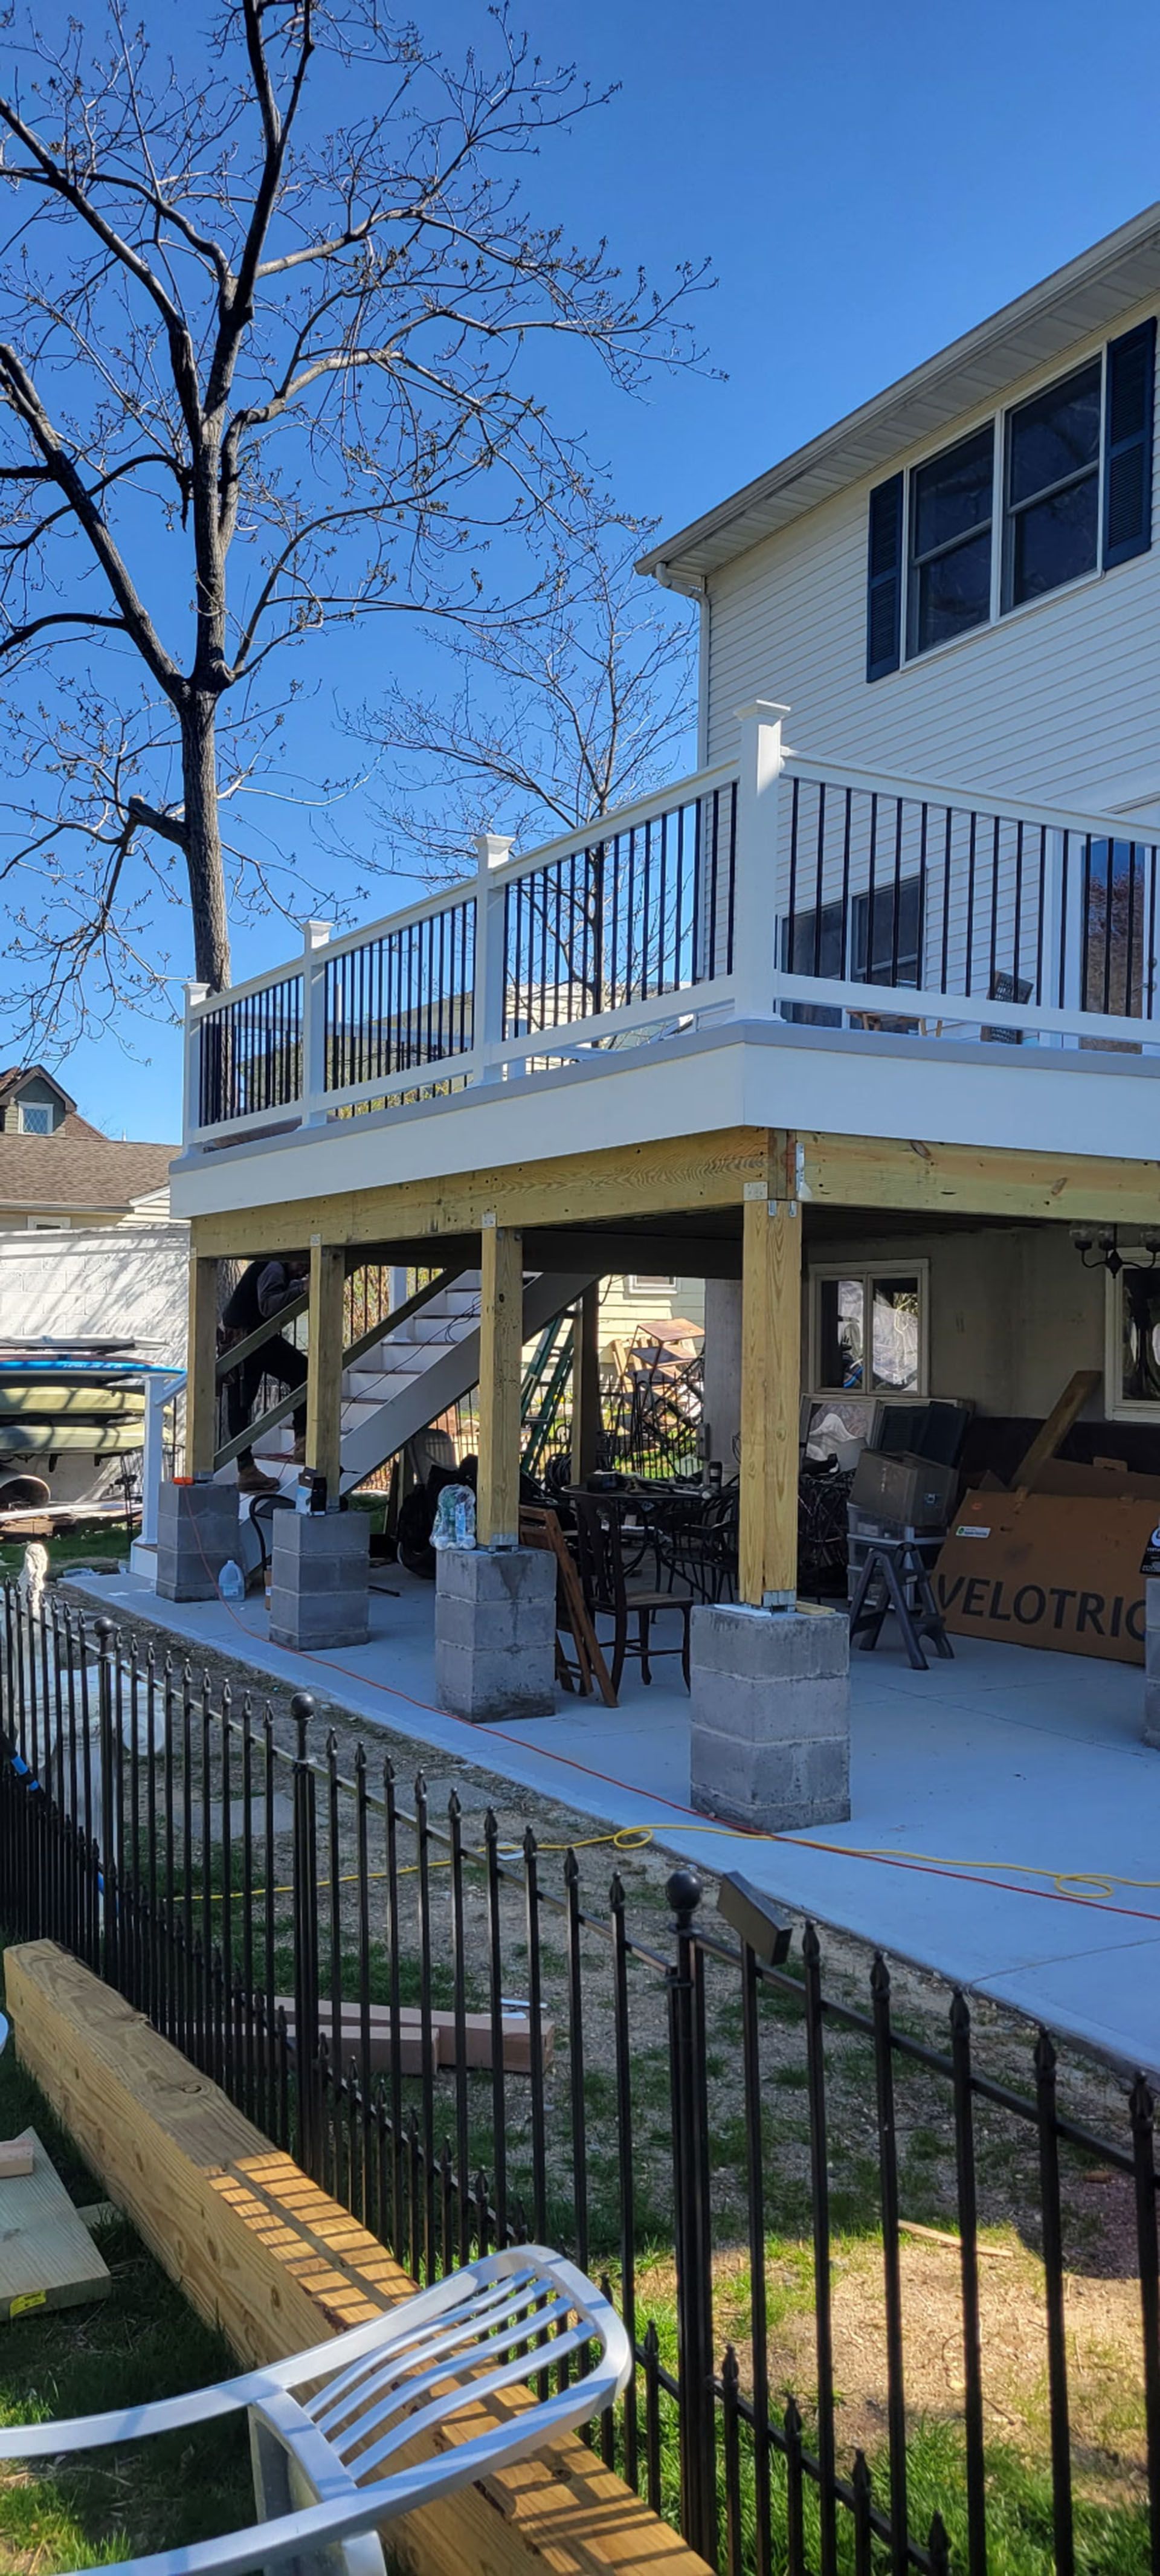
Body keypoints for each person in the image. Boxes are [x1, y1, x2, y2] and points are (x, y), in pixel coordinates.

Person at [220, 1255, 309, 1493]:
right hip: (250, 1339)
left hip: (247, 1339)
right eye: (302, 1263)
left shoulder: (274, 1269)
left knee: (240, 1405)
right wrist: (303, 1288)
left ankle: (247, 1469)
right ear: (289, 1256)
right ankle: (301, 1442)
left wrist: (298, 1285)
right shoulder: (273, 1267)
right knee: (304, 1372)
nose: (303, 1269)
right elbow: (268, 1306)